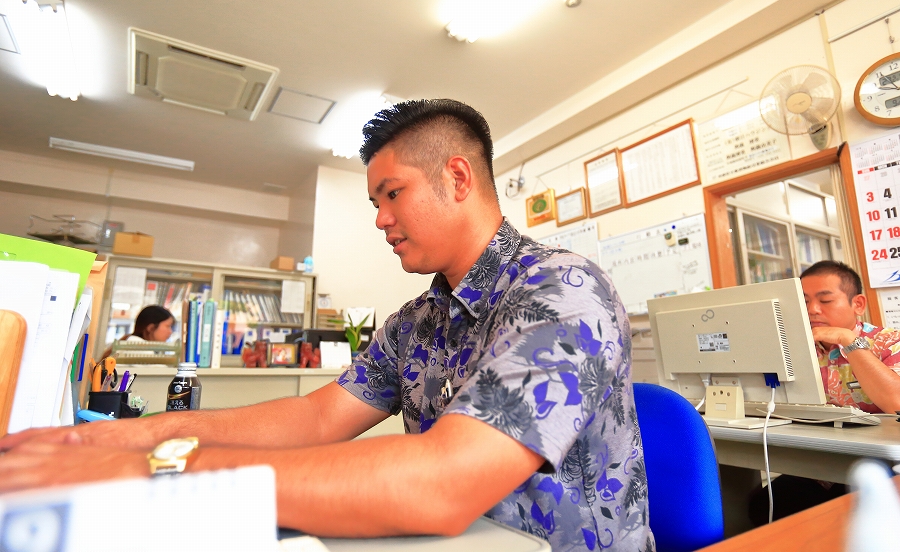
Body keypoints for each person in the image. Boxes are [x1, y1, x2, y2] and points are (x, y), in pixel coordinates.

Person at [0, 99, 653, 551]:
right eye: (374, 202)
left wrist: (158, 470)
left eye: (392, 194)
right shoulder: (417, 322)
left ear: (457, 177)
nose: (380, 219)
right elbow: (315, 419)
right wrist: (134, 435)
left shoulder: (563, 291)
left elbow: (444, 481)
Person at [749, 260, 900, 524]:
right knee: (764, 505)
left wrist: (848, 341)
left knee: (854, 516)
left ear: (858, 304)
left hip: (879, 465)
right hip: (820, 461)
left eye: (825, 300)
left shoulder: (888, 342)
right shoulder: (796, 348)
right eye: (804, 301)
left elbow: (896, 403)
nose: (812, 310)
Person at [102, 305, 175, 357]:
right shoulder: (139, 348)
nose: (170, 332)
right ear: (150, 328)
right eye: (168, 326)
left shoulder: (132, 342)